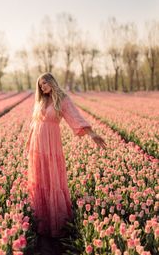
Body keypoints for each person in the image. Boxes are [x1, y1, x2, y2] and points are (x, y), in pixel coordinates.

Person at [25, 72, 107, 238]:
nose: (43, 87)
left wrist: (92, 134)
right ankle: (41, 221)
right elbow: (35, 122)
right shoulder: (41, 100)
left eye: (45, 83)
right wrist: (28, 141)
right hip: (37, 144)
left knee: (52, 179)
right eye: (40, 85)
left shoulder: (62, 99)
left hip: (51, 144)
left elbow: (76, 118)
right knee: (40, 179)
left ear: (52, 82)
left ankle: (57, 223)